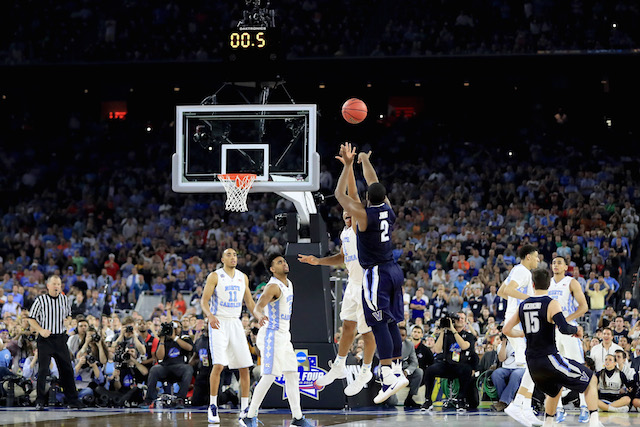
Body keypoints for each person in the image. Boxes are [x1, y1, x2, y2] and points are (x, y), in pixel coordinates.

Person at [333, 142, 408, 404]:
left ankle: (388, 374)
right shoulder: (388, 209)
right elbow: (374, 181)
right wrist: (364, 160)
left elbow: (340, 195)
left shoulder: (364, 217)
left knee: (377, 323)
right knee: (391, 321)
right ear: (384, 197)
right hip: (394, 270)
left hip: (376, 273)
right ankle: (396, 368)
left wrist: (348, 166)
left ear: (367, 200)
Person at [503, 268, 602, 427]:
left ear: (533, 284)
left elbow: (506, 330)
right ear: (549, 284)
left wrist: (524, 334)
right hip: (549, 358)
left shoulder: (523, 305)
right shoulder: (550, 302)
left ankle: (548, 423)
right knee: (591, 378)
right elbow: (563, 327)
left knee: (554, 391)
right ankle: (595, 422)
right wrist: (577, 330)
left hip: (532, 363)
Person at [299, 205, 376, 396]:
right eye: (344, 211)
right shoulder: (345, 233)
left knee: (367, 332)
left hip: (366, 284)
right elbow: (342, 257)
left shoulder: (360, 229)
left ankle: (366, 370)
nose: (347, 214)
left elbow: (355, 202)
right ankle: (339, 364)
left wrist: (349, 176)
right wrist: (318, 261)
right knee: (347, 326)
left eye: (351, 211)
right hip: (352, 284)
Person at [241, 253, 313, 427]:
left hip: (284, 335)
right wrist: (259, 317)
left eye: (284, 261)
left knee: (292, 374)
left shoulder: (289, 284)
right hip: (271, 335)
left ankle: (297, 417)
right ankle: (249, 416)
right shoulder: (272, 286)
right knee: (269, 376)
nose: (284, 263)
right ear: (273, 269)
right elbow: (258, 307)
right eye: (280, 262)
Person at [201, 248, 256, 424]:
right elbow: (204, 301)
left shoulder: (242, 277)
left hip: (235, 322)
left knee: (245, 367)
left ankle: (245, 408)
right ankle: (212, 405)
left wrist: (260, 316)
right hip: (219, 321)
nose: (233, 257)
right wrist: (209, 315)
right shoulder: (215, 276)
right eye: (229, 255)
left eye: (235, 255)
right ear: (222, 258)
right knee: (218, 365)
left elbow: (250, 302)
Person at [497, 244, 541, 426]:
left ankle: (525, 407)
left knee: (532, 366)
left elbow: (501, 291)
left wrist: (517, 301)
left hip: (516, 317)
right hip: (519, 320)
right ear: (528, 257)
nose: (538, 260)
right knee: (533, 364)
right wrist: (529, 300)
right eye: (536, 257)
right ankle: (519, 405)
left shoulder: (516, 270)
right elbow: (507, 291)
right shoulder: (523, 271)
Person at [26, 275, 85, 410]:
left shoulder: (65, 299)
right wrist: (40, 330)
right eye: (54, 284)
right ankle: (40, 400)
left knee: (67, 370)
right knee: (43, 370)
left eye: (58, 284)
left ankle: (73, 400)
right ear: (48, 286)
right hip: (45, 339)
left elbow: (69, 315)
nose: (57, 286)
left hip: (60, 338)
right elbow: (31, 319)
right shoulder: (41, 300)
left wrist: (68, 321)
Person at [547, 256, 590, 422]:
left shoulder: (571, 282)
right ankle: (558, 409)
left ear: (566, 266)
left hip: (569, 328)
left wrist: (565, 321)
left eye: (559, 262)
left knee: (578, 367)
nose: (556, 265)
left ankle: (585, 406)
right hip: (552, 331)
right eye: (554, 262)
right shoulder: (547, 283)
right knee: (554, 370)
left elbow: (584, 306)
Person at [421, 311, 477, 411]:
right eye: (457, 318)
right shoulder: (447, 334)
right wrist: (443, 331)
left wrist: (453, 330)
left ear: (465, 322)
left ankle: (461, 400)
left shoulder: (469, 336)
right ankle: (428, 400)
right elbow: (437, 350)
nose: (460, 320)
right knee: (430, 370)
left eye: (462, 318)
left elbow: (464, 346)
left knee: (467, 370)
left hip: (461, 365)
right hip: (447, 364)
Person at [491, 333, 525, 412]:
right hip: (506, 368)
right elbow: (501, 359)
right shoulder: (503, 345)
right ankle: (506, 402)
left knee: (515, 375)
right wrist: (504, 343)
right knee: (496, 374)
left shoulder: (523, 342)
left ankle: (503, 402)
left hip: (521, 367)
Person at [398, 325, 423, 409]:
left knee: (419, 372)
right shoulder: (388, 342)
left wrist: (407, 371)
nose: (400, 337)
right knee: (391, 402)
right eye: (398, 334)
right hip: (390, 369)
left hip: (403, 369)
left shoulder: (409, 345)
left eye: (403, 335)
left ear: (406, 336)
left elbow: (414, 362)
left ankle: (410, 398)